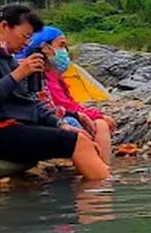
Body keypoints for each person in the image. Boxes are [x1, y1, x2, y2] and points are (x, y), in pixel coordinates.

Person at [0, 3, 110, 180]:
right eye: (24, 36)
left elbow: (30, 100)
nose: (26, 43)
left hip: (11, 128)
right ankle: (102, 196)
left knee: (79, 137)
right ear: (4, 27)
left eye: (29, 39)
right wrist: (18, 74)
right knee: (77, 143)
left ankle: (98, 188)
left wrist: (60, 124)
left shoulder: (6, 58)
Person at [17, 26, 116, 163]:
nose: (65, 52)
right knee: (96, 124)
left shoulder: (52, 76)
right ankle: (100, 167)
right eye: (61, 45)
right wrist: (91, 115)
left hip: (48, 118)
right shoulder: (36, 75)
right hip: (37, 123)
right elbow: (53, 107)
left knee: (96, 123)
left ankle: (99, 168)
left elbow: (66, 105)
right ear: (45, 48)